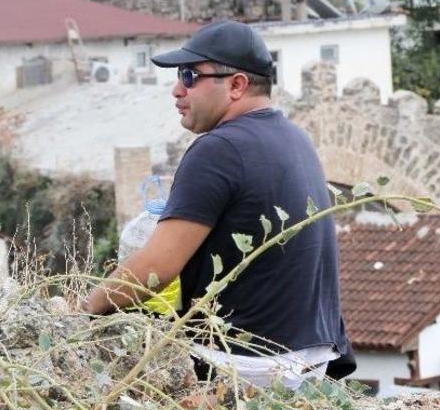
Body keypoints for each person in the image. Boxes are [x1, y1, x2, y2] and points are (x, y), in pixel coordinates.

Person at [82, 20, 354, 389]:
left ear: (237, 85)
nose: (177, 90)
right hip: (313, 359)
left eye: (190, 76)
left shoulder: (219, 150)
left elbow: (156, 269)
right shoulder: (295, 137)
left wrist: (84, 309)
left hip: (246, 364)